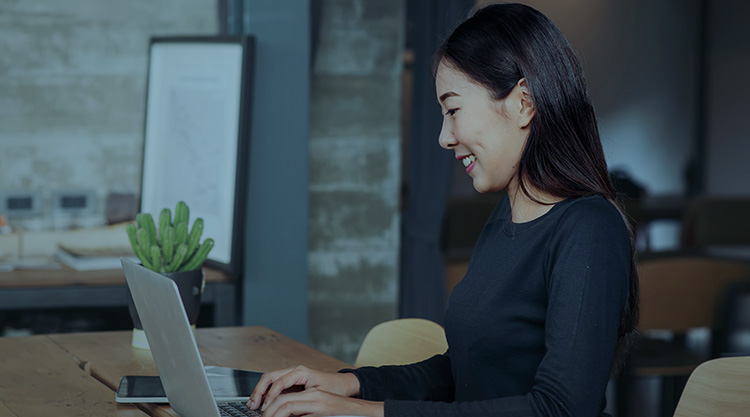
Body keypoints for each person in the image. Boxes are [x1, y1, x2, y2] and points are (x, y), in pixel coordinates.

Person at [247, 3, 639, 416]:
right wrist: (349, 384)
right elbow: (464, 373)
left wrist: (365, 413)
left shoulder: (589, 230)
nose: (444, 137)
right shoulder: (504, 220)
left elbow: (560, 409)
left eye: (452, 110)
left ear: (523, 102)